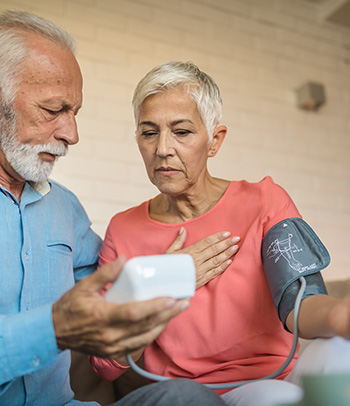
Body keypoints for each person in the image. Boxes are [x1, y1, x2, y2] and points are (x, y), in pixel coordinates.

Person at [0, 11, 237, 406]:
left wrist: (170, 273)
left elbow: (112, 287)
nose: (71, 135)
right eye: (52, 110)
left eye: (74, 112)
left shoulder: (63, 207)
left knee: (184, 398)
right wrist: (53, 328)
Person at [90, 61, 350, 406]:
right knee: (277, 398)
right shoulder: (123, 230)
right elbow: (104, 364)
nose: (163, 148)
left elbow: (299, 302)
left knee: (338, 352)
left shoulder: (264, 200)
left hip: (277, 376)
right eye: (149, 132)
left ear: (214, 140)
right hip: (188, 395)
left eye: (181, 132)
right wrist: (165, 280)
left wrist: (339, 317)